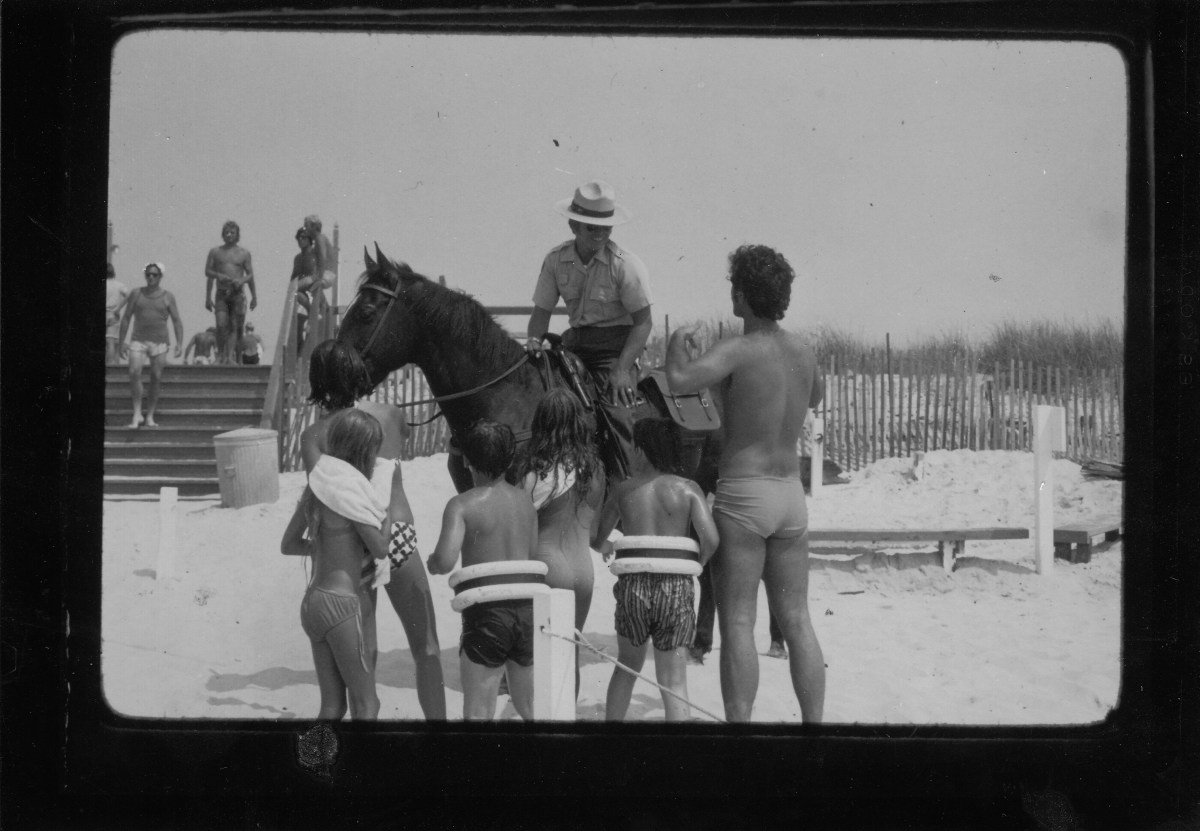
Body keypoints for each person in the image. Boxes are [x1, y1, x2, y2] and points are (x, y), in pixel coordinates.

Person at [665, 244, 825, 723]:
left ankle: (741, 739)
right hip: (790, 495)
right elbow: (814, 393)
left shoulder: (738, 348)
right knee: (797, 620)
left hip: (743, 493)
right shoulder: (804, 352)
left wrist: (676, 344)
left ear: (744, 295)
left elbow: (678, 380)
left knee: (738, 622)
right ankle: (816, 731)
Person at [301, 340, 446, 720]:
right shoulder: (391, 414)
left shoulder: (315, 435)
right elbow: (398, 455)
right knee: (427, 647)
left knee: (366, 658)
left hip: (356, 546)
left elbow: (326, 492)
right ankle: (443, 737)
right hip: (398, 533)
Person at [591, 418, 719, 722]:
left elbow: (597, 538)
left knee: (627, 668)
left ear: (642, 450)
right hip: (675, 586)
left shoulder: (624, 490)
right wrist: (697, 563)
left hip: (634, 588)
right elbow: (711, 538)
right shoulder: (688, 489)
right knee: (673, 681)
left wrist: (609, 548)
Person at [525, 181, 652, 480]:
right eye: (591, 228)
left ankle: (629, 485)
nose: (600, 234)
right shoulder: (556, 260)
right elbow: (541, 312)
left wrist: (622, 370)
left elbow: (644, 322)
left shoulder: (625, 265)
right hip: (573, 346)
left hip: (614, 351)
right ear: (573, 225)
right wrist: (533, 339)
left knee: (618, 413)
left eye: (605, 228)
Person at [281, 409, 390, 720]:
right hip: (342, 606)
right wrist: (387, 513)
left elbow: (288, 545)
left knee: (332, 706)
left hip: (313, 601)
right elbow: (380, 548)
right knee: (368, 704)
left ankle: (313, 763)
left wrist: (326, 549)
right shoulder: (352, 493)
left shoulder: (317, 485)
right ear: (364, 452)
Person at [427, 421, 539, 720]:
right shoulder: (525, 503)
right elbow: (532, 555)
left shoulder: (462, 505)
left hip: (487, 613)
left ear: (466, 460)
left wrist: (432, 562)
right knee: (529, 707)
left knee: (478, 711)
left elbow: (446, 560)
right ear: (510, 459)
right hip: (526, 610)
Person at [512, 387, 606, 696]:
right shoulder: (595, 471)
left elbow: (519, 530)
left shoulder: (534, 473)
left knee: (541, 657)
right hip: (584, 571)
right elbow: (592, 532)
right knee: (571, 654)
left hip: (549, 569)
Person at [117, 262, 184, 428]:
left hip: (160, 341)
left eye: (154, 274)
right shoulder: (136, 293)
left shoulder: (168, 296)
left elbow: (176, 321)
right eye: (148, 274)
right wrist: (121, 342)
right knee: (134, 372)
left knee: (156, 377)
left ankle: (150, 416)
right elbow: (126, 318)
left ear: (160, 277)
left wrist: (179, 343)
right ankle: (137, 413)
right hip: (138, 339)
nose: (151, 277)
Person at [204, 220, 257, 365]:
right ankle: (220, 355)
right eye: (226, 232)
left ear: (237, 235)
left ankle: (229, 357)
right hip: (221, 292)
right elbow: (207, 272)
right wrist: (208, 296)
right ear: (223, 234)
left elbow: (250, 275)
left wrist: (253, 296)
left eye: (232, 233)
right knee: (221, 324)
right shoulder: (215, 252)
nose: (229, 235)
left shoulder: (244, 253)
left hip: (238, 293)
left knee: (234, 325)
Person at [288, 226, 318, 354]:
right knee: (298, 326)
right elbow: (294, 276)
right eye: (299, 238)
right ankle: (298, 353)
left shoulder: (315, 255)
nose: (300, 240)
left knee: (309, 328)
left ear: (310, 239)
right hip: (300, 294)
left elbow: (318, 274)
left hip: (313, 292)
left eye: (303, 237)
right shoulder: (298, 258)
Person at [105, 262, 130, 365]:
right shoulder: (119, 285)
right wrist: (119, 308)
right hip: (113, 314)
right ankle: (110, 364)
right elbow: (129, 295)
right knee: (111, 341)